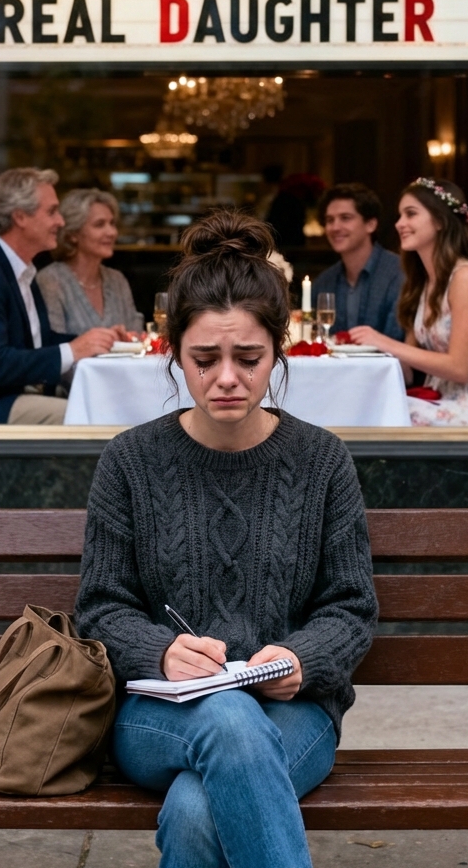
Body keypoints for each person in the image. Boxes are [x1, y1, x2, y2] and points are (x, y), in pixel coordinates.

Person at [74, 209, 378, 868]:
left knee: (193, 811)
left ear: (280, 347)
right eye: (204, 359)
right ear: (172, 350)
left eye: (248, 358)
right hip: (159, 716)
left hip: (294, 712)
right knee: (227, 721)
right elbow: (99, 607)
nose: (227, 379)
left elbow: (352, 606)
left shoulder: (321, 460)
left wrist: (301, 658)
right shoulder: (132, 461)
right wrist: (160, 650)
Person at [0, 168, 128, 425]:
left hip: (7, 397)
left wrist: (99, 342)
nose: (60, 222)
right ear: (20, 217)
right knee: (90, 417)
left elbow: (38, 343)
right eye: (52, 211)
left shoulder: (20, 269)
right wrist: (74, 350)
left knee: (103, 406)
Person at [348, 178, 468, 427]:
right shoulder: (423, 284)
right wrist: (353, 362)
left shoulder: (466, 277)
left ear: (441, 221)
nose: (400, 224)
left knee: (384, 418)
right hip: (443, 396)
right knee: (366, 408)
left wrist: (382, 341)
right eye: (400, 215)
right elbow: (408, 370)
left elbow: (459, 368)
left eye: (411, 214)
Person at [37, 188, 144, 337]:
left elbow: (137, 337)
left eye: (112, 223)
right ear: (73, 234)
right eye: (99, 224)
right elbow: (51, 345)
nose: (111, 232)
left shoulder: (117, 280)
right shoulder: (51, 281)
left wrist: (129, 338)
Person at [313, 183, 405, 342]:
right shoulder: (324, 282)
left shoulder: (399, 274)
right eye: (329, 220)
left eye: (345, 218)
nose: (335, 227)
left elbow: (398, 341)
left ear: (371, 224)